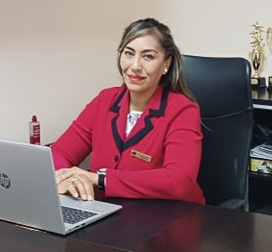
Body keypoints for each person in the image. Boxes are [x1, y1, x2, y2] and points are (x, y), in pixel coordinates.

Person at [51, 18, 205, 204]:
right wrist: (66, 178)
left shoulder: (183, 110)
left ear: (166, 64)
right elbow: (58, 153)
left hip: (173, 215)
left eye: (148, 57)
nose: (135, 66)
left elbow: (178, 181)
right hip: (110, 212)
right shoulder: (105, 100)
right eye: (129, 53)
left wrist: (100, 179)